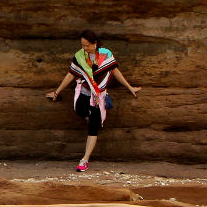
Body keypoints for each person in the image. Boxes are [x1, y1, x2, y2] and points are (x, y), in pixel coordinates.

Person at [46, 30, 140, 172]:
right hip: (84, 94)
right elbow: (70, 75)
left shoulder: (106, 54)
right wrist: (57, 92)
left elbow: (115, 71)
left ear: (95, 43)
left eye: (87, 46)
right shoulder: (79, 56)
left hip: (98, 96)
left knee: (93, 127)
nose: (85, 48)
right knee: (80, 110)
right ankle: (90, 116)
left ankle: (84, 160)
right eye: (83, 45)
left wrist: (129, 87)